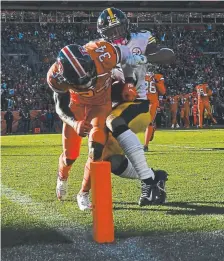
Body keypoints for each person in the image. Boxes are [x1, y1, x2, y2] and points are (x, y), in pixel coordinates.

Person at [47, 40, 147, 203]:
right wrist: (74, 123)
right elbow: (60, 107)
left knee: (96, 150)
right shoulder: (55, 76)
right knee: (70, 156)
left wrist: (129, 82)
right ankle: (62, 176)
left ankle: (84, 193)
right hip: (76, 108)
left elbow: (128, 56)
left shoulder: (102, 52)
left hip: (100, 107)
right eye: (81, 82)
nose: (88, 83)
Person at [143, 72, 166, 152]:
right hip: (140, 101)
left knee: (149, 123)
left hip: (152, 103)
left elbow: (163, 91)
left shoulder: (158, 76)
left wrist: (156, 81)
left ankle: (145, 145)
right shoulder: (137, 73)